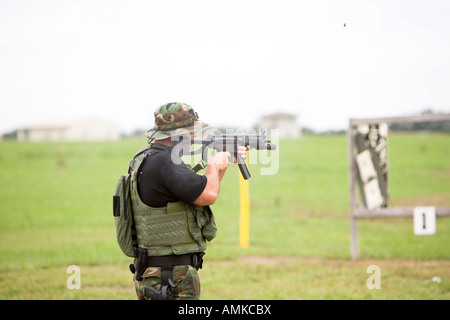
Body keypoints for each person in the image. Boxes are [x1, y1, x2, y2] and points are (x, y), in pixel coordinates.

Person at [130, 102, 248, 300]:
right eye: (191, 132)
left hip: (158, 270)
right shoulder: (166, 163)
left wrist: (222, 164)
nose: (194, 138)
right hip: (169, 274)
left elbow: (201, 192)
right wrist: (213, 164)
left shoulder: (152, 158)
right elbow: (208, 196)